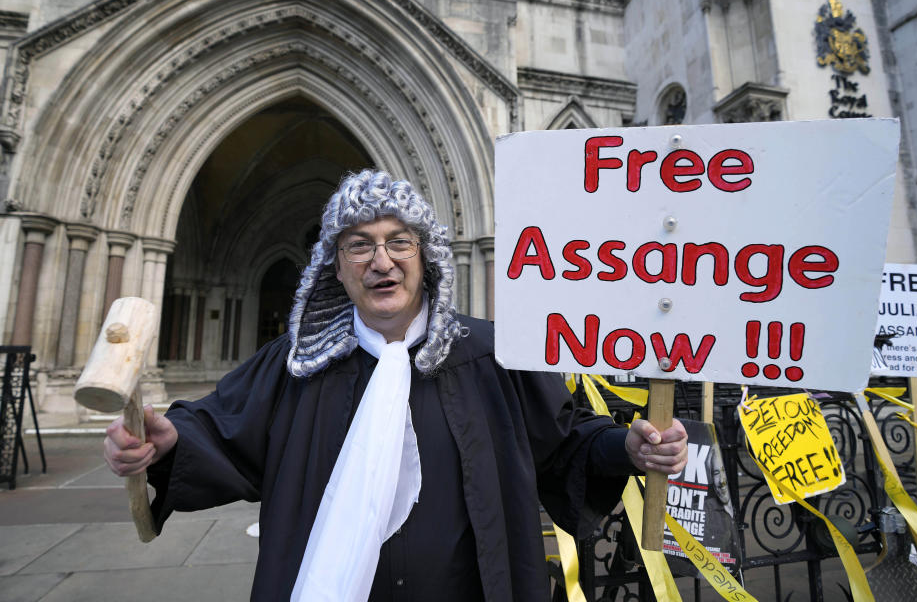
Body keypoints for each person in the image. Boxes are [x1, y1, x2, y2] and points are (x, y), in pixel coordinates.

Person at [104, 170, 688, 601]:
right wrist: (164, 439)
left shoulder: (489, 352)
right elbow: (218, 431)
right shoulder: (299, 362)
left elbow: (565, 443)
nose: (381, 259)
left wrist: (629, 447)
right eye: (358, 244)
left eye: (397, 241)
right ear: (337, 268)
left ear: (424, 255)